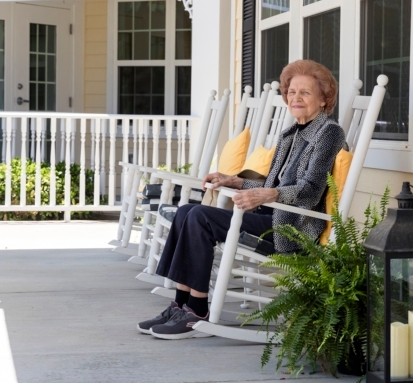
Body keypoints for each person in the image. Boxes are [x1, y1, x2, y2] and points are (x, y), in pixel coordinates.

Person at [137, 60, 346, 340]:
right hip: (271, 216)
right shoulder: (289, 134)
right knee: (187, 210)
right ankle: (181, 303)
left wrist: (270, 194)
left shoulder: (329, 133)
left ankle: (197, 310)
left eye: (305, 93)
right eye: (292, 92)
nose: (295, 98)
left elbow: (310, 190)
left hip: (290, 229)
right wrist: (234, 180)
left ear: (323, 99)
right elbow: (270, 184)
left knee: (199, 217)